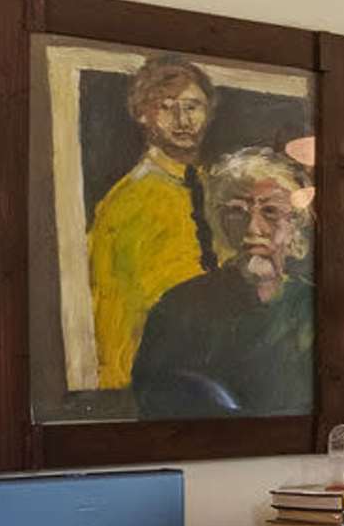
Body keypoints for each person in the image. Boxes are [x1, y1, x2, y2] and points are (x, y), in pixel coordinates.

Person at [131, 147, 313, 416]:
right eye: (237, 211)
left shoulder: (311, 306)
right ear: (221, 222)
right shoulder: (179, 309)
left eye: (271, 211)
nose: (253, 228)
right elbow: (153, 401)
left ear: (294, 225)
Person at [86, 55, 216, 388]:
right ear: (143, 114)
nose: (183, 120)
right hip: (153, 374)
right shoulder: (128, 201)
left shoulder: (218, 190)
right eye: (166, 107)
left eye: (192, 107)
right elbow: (113, 306)